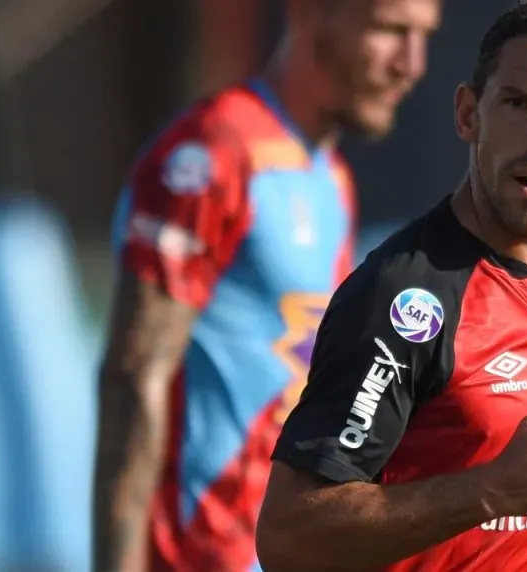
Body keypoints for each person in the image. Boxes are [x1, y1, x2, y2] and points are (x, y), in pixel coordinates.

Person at [255, 1, 527, 570]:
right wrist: (496, 486)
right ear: (467, 115)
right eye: (519, 103)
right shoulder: (406, 295)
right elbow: (288, 536)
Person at [92, 1, 442, 570]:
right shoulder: (213, 153)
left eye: (424, 36)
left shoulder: (333, 180)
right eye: (391, 29)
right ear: (309, 14)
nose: (412, 63)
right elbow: (133, 378)